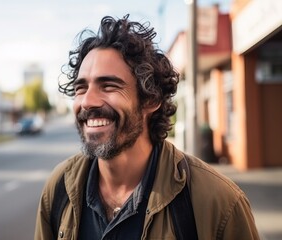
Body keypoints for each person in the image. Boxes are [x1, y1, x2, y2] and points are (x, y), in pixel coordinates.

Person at [34, 15, 259, 240]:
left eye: (109, 86)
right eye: (81, 88)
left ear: (150, 99)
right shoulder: (59, 188)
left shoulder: (217, 202)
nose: (87, 101)